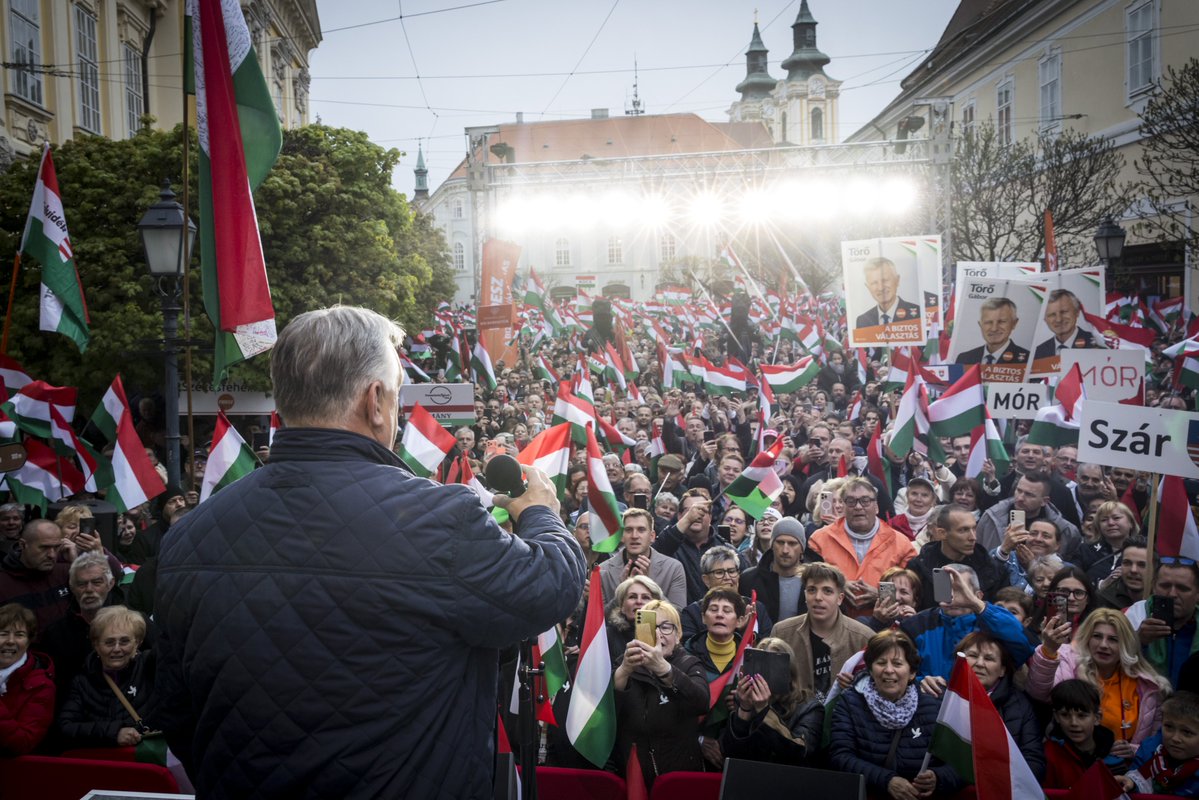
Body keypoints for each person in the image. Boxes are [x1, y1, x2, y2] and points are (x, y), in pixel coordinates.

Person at [153, 306, 586, 799]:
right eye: (399, 395)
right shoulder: (439, 518)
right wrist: (541, 513)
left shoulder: (190, 536)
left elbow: (176, 714)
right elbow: (550, 587)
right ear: (376, 401)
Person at [828, 630, 962, 799]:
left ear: (912, 672)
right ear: (871, 670)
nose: (889, 670)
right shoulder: (850, 703)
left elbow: (960, 763)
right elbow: (840, 757)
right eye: (881, 662)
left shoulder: (934, 706)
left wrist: (938, 778)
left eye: (897, 664)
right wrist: (887, 781)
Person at [1027, 608, 1170, 760]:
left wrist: (1134, 751)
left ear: (1126, 644)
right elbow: (1039, 692)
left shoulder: (1149, 685)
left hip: (1125, 768)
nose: (1103, 645)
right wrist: (1048, 651)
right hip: (1074, 761)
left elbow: (1155, 741)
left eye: (1113, 639)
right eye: (1097, 636)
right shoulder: (1069, 662)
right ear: (1087, 638)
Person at [613, 599, 709, 789]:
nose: (658, 635)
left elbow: (701, 703)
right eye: (650, 627)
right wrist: (624, 670)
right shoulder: (625, 662)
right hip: (632, 773)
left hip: (677, 775)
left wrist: (663, 669)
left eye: (665, 627)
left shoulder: (690, 664)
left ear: (678, 635)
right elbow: (607, 712)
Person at [900, 563, 1034, 683]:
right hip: (931, 700)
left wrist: (976, 604)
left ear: (978, 596)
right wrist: (919, 682)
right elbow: (899, 672)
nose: (952, 596)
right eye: (946, 588)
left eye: (960, 590)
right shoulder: (916, 625)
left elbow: (1025, 646)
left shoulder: (992, 623)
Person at [807, 478, 916, 615]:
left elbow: (913, 591)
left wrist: (881, 595)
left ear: (876, 507)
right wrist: (838, 585)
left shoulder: (901, 544)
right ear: (843, 506)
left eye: (865, 501)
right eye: (851, 501)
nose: (858, 507)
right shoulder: (819, 540)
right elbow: (808, 580)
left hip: (883, 623)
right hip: (833, 621)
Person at [772, 563, 874, 704]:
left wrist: (856, 685)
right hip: (794, 714)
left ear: (840, 598)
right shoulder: (782, 633)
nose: (818, 597)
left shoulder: (864, 638)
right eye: (812, 590)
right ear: (805, 594)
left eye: (827, 591)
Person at [58, 606, 159, 748]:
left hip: (148, 757)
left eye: (124, 641)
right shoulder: (82, 682)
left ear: (137, 643)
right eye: (109, 642)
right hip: (105, 760)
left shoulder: (151, 666)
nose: (117, 649)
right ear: (96, 645)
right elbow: (66, 727)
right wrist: (114, 732)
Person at [720, 637, 824, 766]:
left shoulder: (809, 708)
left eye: (774, 668)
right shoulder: (746, 701)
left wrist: (764, 710)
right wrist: (744, 709)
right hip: (750, 774)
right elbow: (730, 755)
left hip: (786, 776)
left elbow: (801, 752)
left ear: (789, 673)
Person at [955, 631, 1045, 779]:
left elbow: (1034, 760)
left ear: (1002, 670)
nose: (979, 663)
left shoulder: (1021, 706)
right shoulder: (942, 696)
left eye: (989, 658)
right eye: (973, 656)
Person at [907, 504, 1008, 611]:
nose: (973, 537)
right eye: (963, 530)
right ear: (942, 533)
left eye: (974, 529)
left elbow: (1004, 613)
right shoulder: (918, 568)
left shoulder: (993, 570)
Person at [1125, 557, 1199, 687]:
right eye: (1165, 586)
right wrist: (1138, 642)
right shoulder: (1135, 615)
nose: (1172, 594)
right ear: (1153, 587)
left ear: (1197, 593)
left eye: (1182, 588)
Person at [599, 509, 687, 610]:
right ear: (622, 536)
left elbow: (678, 613)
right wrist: (622, 590)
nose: (634, 536)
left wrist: (649, 586)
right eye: (629, 530)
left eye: (641, 530)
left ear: (652, 536)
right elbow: (600, 617)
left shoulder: (673, 568)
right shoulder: (603, 571)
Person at [1118, 691, 1199, 796]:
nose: (1175, 738)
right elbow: (1134, 778)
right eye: (1169, 727)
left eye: (1187, 732)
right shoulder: (1149, 750)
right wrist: (1132, 784)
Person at [681, 546, 771, 640]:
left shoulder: (757, 608)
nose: (727, 577)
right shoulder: (692, 613)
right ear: (706, 580)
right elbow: (690, 645)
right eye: (719, 573)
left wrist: (746, 631)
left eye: (731, 571)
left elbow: (766, 643)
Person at [0, 602, 55, 755]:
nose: (10, 641)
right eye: (3, 633)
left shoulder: (42, 686)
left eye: (19, 635)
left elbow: (24, 742)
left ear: (29, 641)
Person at [0, 520, 73, 632]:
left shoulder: (65, 572)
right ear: (23, 545)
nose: (52, 555)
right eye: (44, 548)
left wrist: (76, 562)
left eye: (56, 547)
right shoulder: (3, 583)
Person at [1044, 679, 1118, 789]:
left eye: (1081, 716)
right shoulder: (1048, 755)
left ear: (1097, 718)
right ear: (1056, 717)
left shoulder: (1114, 751)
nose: (1073, 723)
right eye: (1065, 715)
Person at [739, 517, 807, 625]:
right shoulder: (749, 579)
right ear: (772, 545)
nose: (785, 550)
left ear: (802, 548)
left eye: (792, 543)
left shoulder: (813, 582)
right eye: (780, 542)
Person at [608, 575, 665, 665]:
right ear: (622, 606)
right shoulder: (608, 635)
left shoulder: (667, 632)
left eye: (645, 597)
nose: (639, 601)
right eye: (632, 597)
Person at [956, 297, 1029, 367]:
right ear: (980, 325)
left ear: (1014, 323)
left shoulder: (1029, 359)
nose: (994, 329)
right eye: (988, 322)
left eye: (1001, 321)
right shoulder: (963, 359)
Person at [1033, 289, 1105, 359]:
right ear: (1044, 318)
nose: (1059, 319)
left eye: (1064, 312)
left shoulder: (1099, 344)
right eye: (1052, 315)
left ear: (1077, 312)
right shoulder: (1037, 353)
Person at [855, 257, 920, 329]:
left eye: (885, 280)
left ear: (897, 280)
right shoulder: (862, 321)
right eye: (874, 283)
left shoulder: (918, 314)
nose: (880, 288)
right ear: (868, 287)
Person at [1097, 539, 1149, 610]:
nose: (1133, 570)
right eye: (1127, 563)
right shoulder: (1103, 601)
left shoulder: (1162, 598)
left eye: (1142, 565)